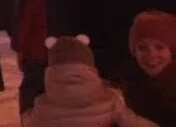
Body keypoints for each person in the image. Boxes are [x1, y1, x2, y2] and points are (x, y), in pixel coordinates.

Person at [25, 35, 154, 127]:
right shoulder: (110, 99)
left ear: (51, 70)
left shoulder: (41, 107)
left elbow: (28, 121)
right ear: (90, 66)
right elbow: (134, 122)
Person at [123, 11, 176, 125]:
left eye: (160, 47)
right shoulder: (133, 87)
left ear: (172, 50)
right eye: (142, 48)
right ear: (134, 51)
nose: (151, 56)